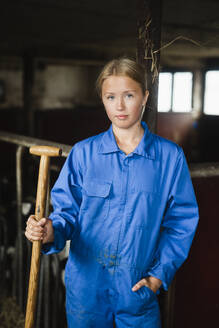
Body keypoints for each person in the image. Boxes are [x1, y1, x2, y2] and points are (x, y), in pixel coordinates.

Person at [25, 58, 199, 328]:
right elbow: (66, 215)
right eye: (111, 97)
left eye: (129, 95)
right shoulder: (84, 153)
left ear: (145, 97)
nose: (119, 106)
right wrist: (49, 231)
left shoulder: (169, 158)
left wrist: (157, 277)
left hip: (137, 290)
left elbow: (181, 222)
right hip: (86, 291)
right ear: (103, 100)